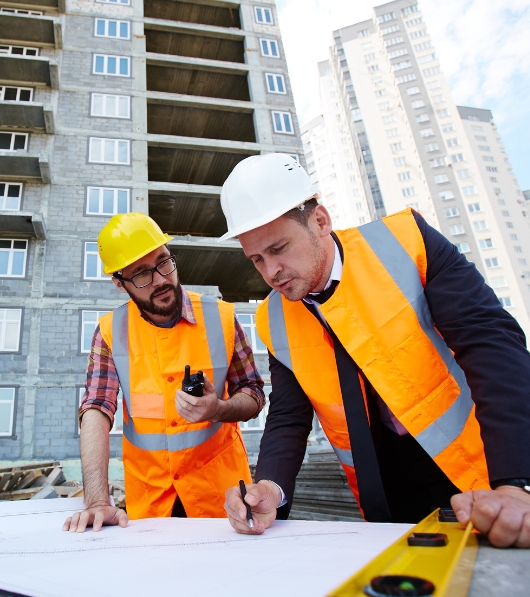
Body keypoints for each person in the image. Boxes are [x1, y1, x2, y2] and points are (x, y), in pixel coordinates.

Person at [220, 153, 530, 548]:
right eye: (257, 259)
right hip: (384, 493)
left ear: (320, 222)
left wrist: (517, 480)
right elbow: (287, 417)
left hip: (485, 468)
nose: (270, 272)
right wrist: (271, 488)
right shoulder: (272, 318)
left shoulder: (405, 241)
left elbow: (491, 345)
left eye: (279, 248)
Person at [63, 212, 264, 533]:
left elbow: (253, 394)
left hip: (223, 501)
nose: (160, 279)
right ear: (119, 282)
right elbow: (96, 410)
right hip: (151, 504)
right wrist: (97, 500)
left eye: (163, 262)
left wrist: (219, 409)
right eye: (141, 274)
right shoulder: (110, 332)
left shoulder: (222, 318)